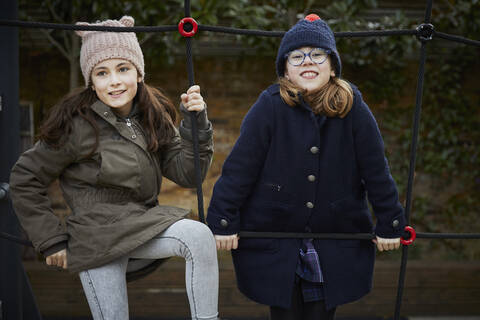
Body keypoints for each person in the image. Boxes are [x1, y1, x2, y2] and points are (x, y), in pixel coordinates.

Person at [9, 16, 220, 320]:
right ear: (91, 81)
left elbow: (189, 174)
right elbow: (25, 177)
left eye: (123, 69)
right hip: (96, 237)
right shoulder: (76, 125)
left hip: (142, 224)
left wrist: (195, 124)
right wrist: (50, 239)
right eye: (102, 73)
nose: (115, 81)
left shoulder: (152, 115)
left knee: (198, 236)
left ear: (138, 72)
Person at [207, 14, 406, 320]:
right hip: (275, 233)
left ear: (333, 65)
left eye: (318, 54)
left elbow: (376, 169)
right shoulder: (269, 105)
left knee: (319, 312)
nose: (307, 61)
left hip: (333, 234)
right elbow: (240, 168)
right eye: (297, 56)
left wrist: (390, 222)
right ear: (285, 69)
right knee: (284, 310)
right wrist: (223, 220)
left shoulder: (353, 107)